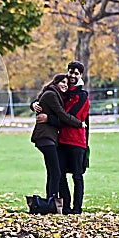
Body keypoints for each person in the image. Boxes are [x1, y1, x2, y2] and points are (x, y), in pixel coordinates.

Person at [34, 61, 90, 214]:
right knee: (60, 175)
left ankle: (77, 208)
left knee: (77, 176)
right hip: (62, 140)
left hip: (77, 141)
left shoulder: (82, 95)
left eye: (76, 73)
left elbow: (68, 117)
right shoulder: (62, 94)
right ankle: (65, 206)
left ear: (80, 76)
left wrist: (49, 119)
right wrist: (34, 104)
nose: (72, 76)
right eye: (70, 72)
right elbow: (47, 101)